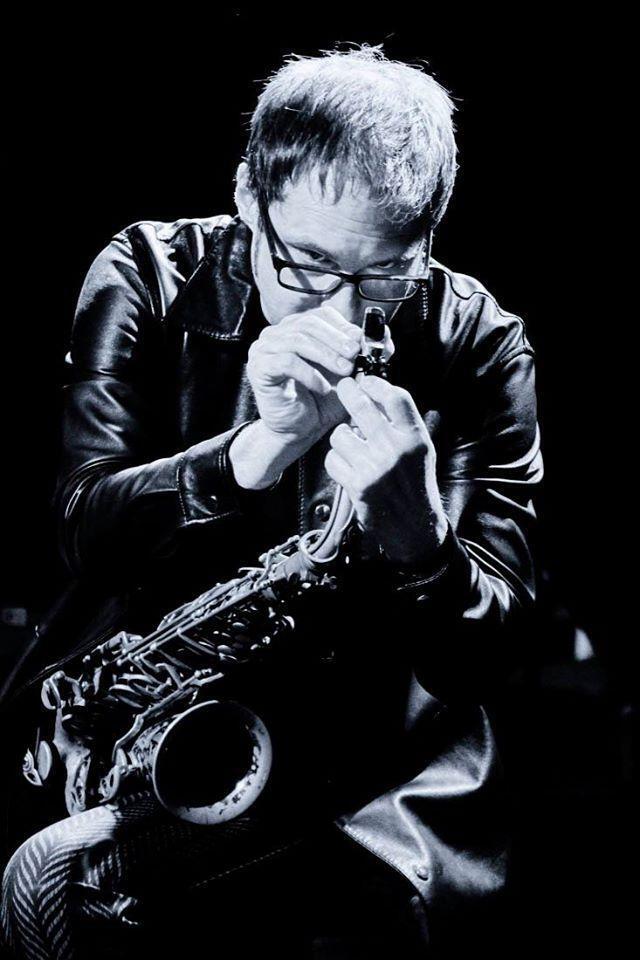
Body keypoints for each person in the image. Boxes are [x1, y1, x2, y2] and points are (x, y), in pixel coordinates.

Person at [1, 45, 542, 958]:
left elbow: (494, 654)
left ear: (428, 240)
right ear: (249, 197)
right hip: (140, 735)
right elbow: (81, 532)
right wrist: (252, 453)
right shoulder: (149, 272)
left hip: (373, 774)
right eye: (308, 265)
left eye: (385, 277)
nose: (342, 316)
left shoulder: (481, 342)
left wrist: (421, 542)